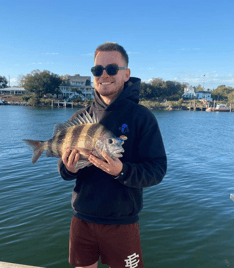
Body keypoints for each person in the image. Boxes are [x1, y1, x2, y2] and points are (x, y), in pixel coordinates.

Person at [58, 42, 167, 268]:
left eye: (112, 69)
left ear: (126, 74)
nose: (104, 75)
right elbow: (64, 170)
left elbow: (157, 171)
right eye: (98, 70)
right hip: (82, 217)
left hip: (122, 222)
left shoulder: (142, 117)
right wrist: (68, 168)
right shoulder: (80, 117)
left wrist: (122, 171)